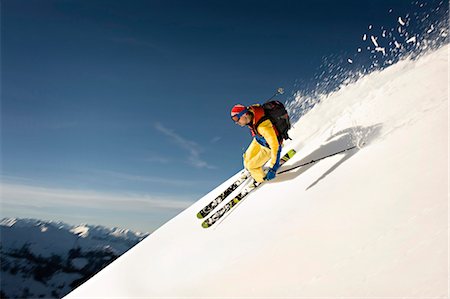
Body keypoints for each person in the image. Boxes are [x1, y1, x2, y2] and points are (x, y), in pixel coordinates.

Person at [230, 104, 283, 183]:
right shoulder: (251, 114)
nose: (236, 122)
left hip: (268, 148)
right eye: (234, 119)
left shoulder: (263, 127)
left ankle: (262, 179)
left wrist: (273, 169)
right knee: (246, 158)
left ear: (244, 114)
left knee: (251, 166)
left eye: (237, 118)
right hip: (259, 140)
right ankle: (253, 169)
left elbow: (276, 146)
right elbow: (256, 106)